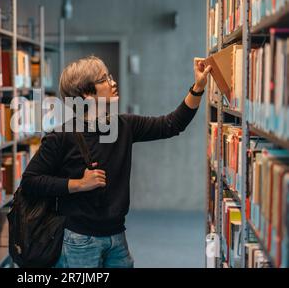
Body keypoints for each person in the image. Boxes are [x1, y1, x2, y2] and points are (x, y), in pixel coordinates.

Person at [20, 56, 212, 268]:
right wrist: (77, 184)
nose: (112, 82)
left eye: (109, 76)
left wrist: (198, 87)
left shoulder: (124, 125)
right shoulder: (61, 136)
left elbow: (171, 124)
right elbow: (30, 181)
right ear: (86, 94)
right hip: (78, 240)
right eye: (104, 79)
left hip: (117, 236)